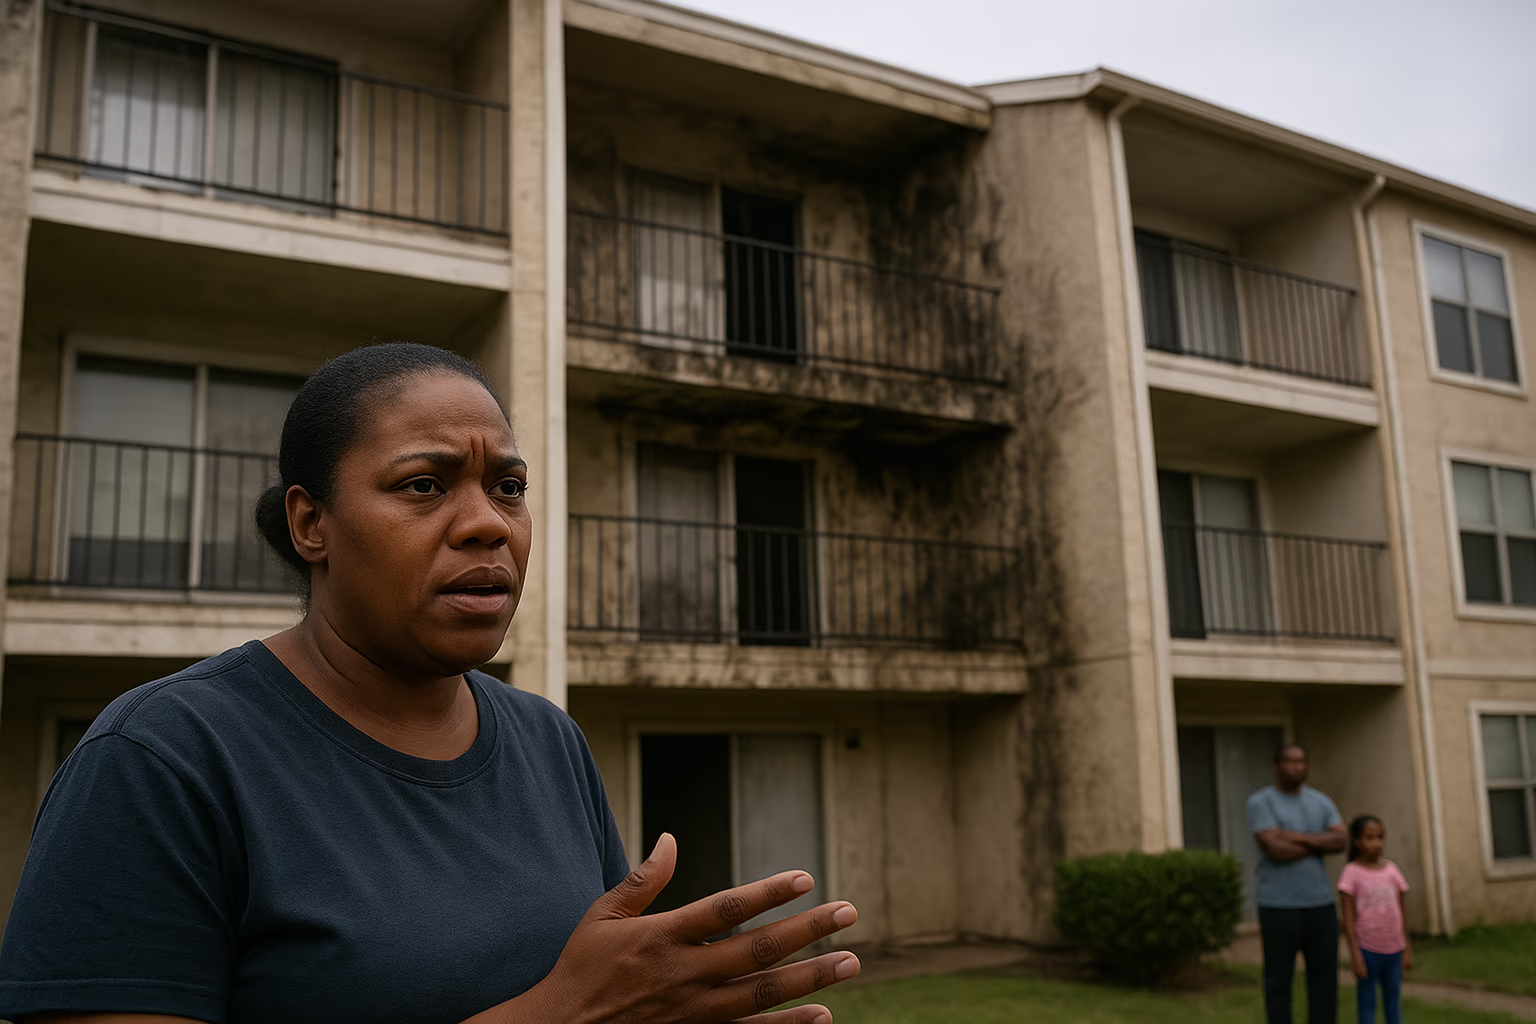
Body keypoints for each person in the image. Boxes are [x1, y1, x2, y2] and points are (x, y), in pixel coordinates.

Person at [0, 343, 860, 1024]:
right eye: (424, 485)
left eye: (509, 487)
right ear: (312, 523)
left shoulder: (546, 740)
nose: (488, 522)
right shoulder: (165, 758)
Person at [1247, 743, 1347, 1024]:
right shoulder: (1260, 802)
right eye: (1290, 761)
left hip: (1320, 905)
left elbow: (1341, 840)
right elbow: (1275, 851)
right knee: (1279, 981)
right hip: (1278, 906)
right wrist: (1318, 842)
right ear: (1276, 766)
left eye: (1302, 761)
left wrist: (1293, 837)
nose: (1297, 767)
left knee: (1325, 979)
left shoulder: (1321, 801)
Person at [1338, 815, 1412, 1024]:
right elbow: (1348, 918)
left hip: (1394, 950)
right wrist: (1354, 953)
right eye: (1369, 838)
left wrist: (1407, 948)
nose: (1376, 843)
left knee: (1393, 1003)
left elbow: (1402, 910)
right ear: (1357, 841)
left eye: (1379, 837)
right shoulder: (1351, 873)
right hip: (1368, 951)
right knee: (1367, 1004)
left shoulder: (1392, 871)